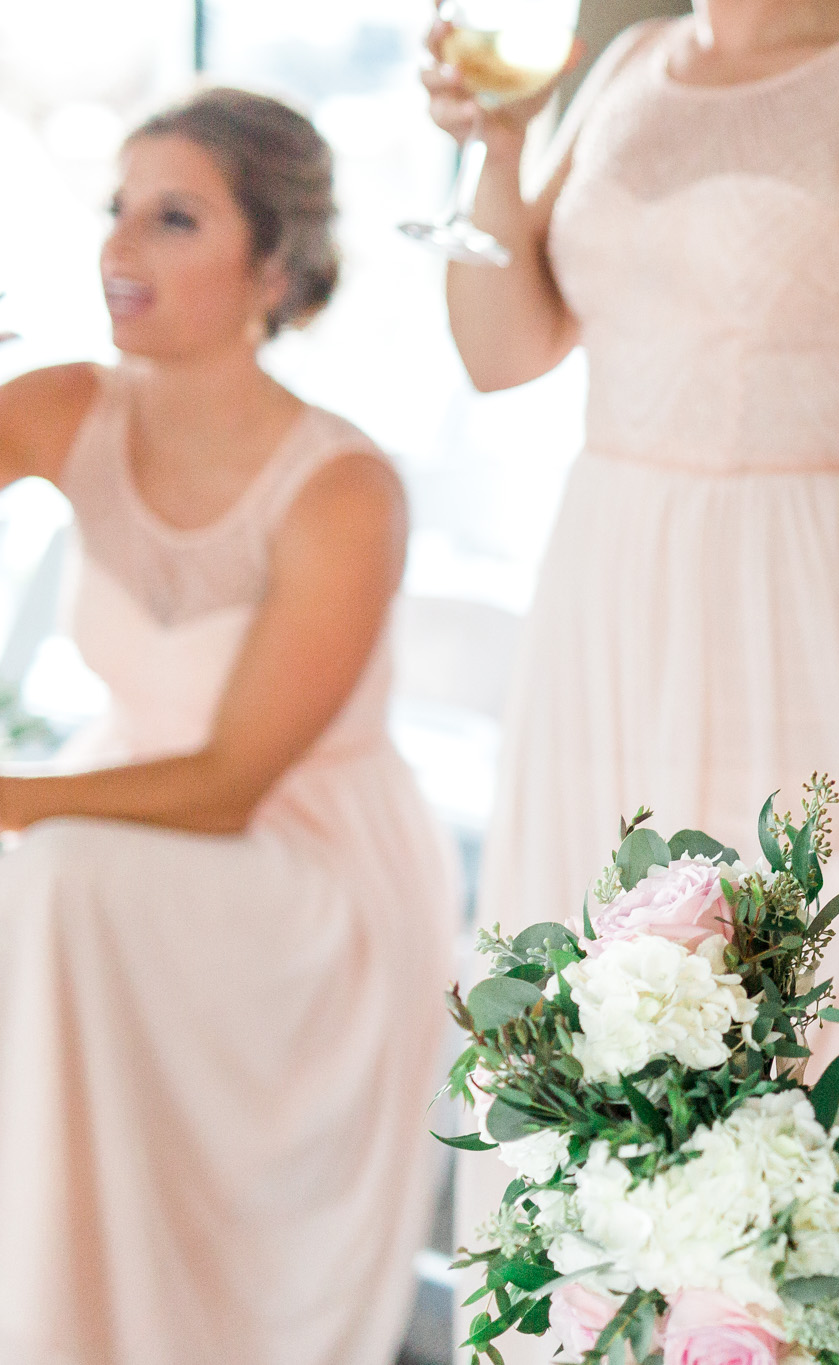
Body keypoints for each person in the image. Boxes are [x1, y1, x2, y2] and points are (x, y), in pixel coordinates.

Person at [422, 0, 839, 1341]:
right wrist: (501, 145)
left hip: (806, 617)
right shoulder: (637, 64)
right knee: (585, 1025)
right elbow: (498, 351)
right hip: (607, 606)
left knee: (797, 1041)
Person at [0, 89, 456, 1365]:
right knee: (53, 876)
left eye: (173, 218)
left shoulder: (341, 486)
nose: (119, 249)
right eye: (117, 210)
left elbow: (229, 785)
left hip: (304, 878)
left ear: (273, 269)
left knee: (48, 875)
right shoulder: (64, 407)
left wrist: (11, 798)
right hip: (112, 826)